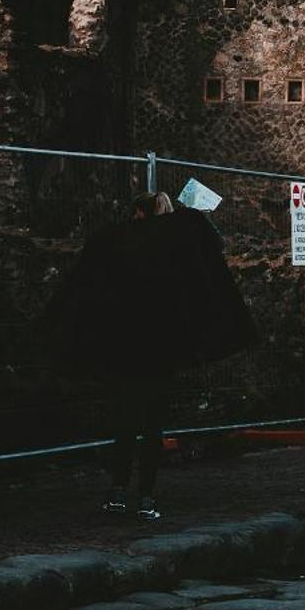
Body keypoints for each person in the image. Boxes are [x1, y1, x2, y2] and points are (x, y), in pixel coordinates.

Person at [46, 191, 254, 520]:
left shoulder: (118, 248)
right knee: (152, 426)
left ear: (140, 214)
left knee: (126, 422)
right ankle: (145, 495)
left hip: (127, 351)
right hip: (160, 352)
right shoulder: (175, 253)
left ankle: (118, 489)